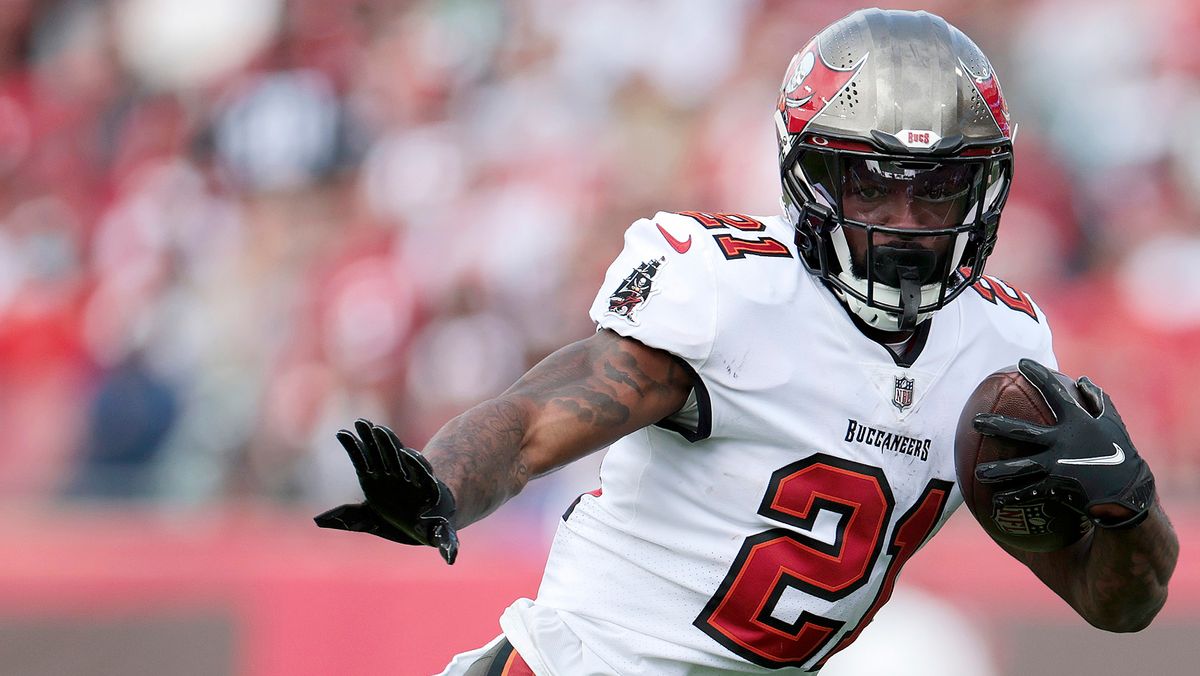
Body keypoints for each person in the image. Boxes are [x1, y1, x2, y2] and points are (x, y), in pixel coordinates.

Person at [315, 8, 1179, 674]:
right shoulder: (727, 292)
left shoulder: (1000, 350)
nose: (907, 223)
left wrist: (1128, 500)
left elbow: (1120, 604)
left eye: (941, 188)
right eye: (872, 186)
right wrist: (443, 483)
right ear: (808, 175)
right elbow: (537, 418)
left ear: (988, 190)